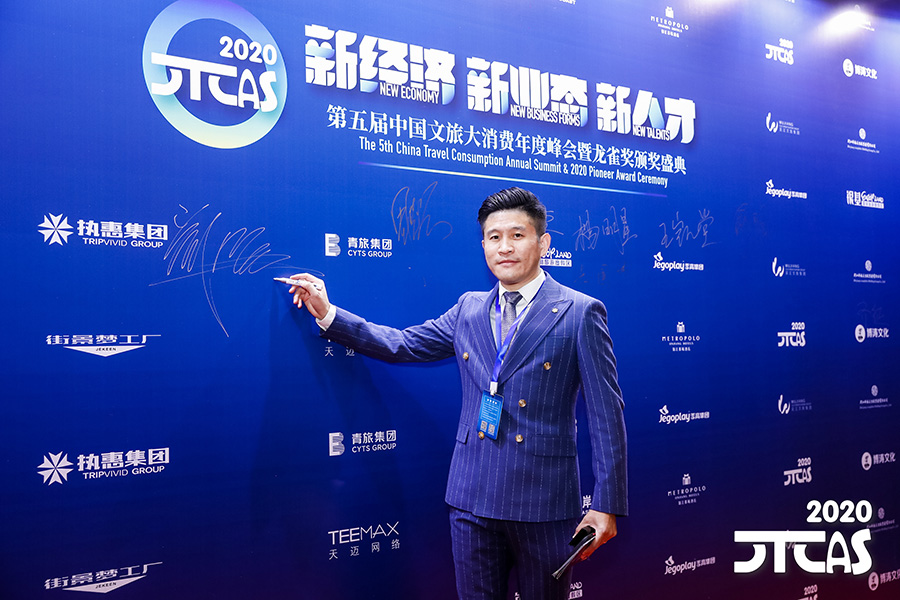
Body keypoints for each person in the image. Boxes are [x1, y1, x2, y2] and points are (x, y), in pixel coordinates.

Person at [285, 187, 627, 600]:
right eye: (494, 237)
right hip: (471, 497)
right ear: (483, 245)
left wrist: (606, 504)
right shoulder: (469, 308)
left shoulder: (580, 311)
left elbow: (607, 414)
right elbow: (403, 344)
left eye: (517, 235)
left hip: (543, 502)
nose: (505, 247)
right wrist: (329, 314)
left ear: (543, 244)